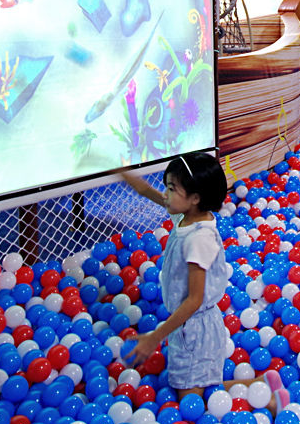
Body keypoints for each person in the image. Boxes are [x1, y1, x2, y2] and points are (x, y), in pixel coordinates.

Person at [120, 151, 286, 409]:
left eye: (172, 188)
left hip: (194, 330)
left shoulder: (199, 239)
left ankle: (264, 395)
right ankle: (261, 384)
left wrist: (155, 337)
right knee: (196, 393)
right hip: (188, 326)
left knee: (193, 403)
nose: (165, 193)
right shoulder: (187, 214)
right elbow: (146, 192)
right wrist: (119, 171)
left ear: (195, 198)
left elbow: (194, 300)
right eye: (167, 185)